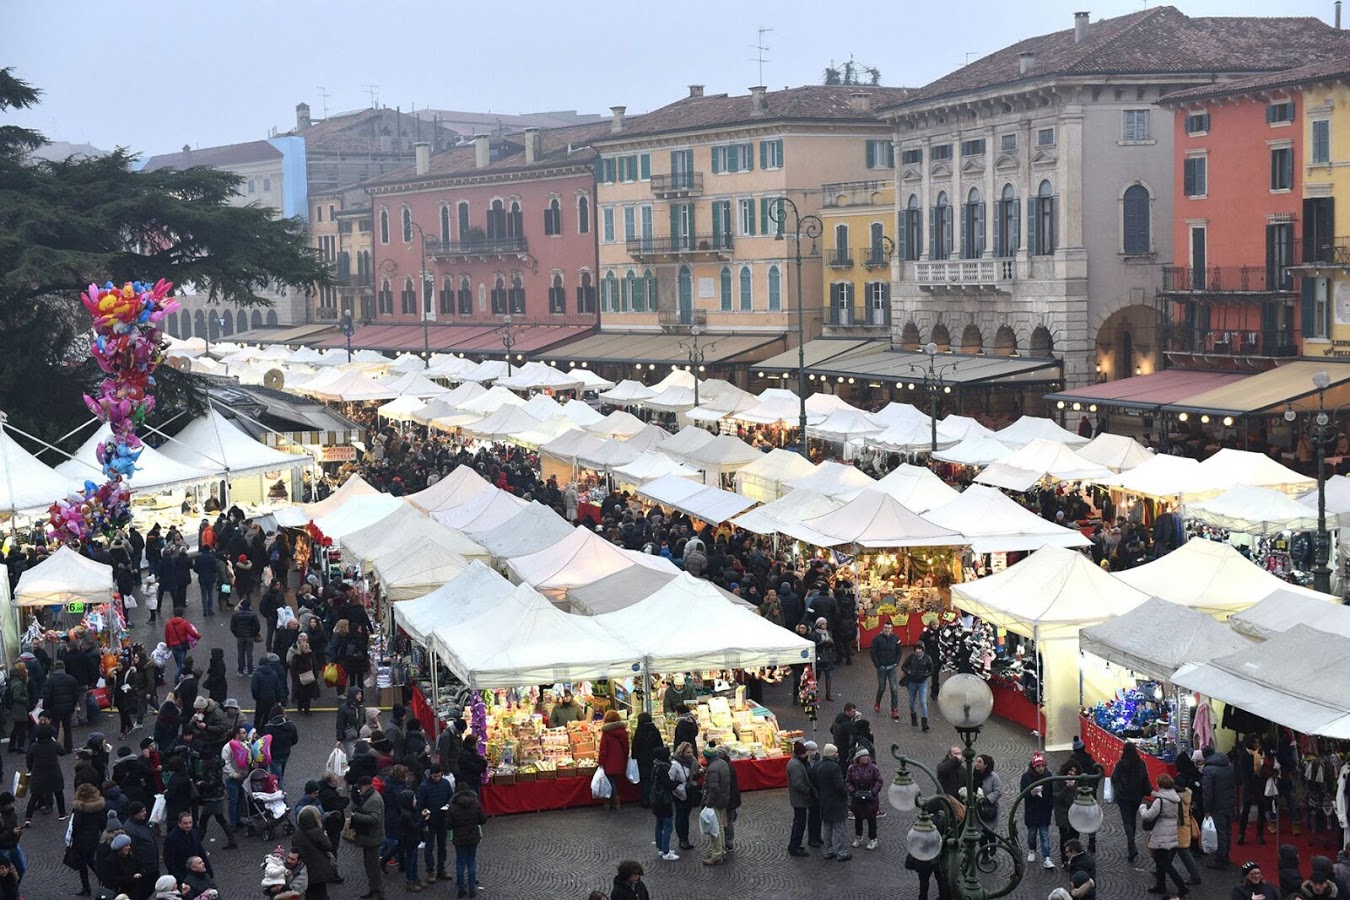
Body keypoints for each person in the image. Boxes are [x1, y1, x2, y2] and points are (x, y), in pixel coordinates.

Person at [1141, 773, 1190, 897]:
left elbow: (1148, 816)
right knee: (1161, 860)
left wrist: (1142, 807)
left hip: (1161, 833)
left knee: (1163, 862)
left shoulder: (1160, 800)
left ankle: (1181, 886)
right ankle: (1160, 885)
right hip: (1171, 832)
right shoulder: (1175, 798)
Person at [1110, 740, 1153, 863]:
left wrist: (1119, 789)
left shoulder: (1120, 764)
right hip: (1136, 796)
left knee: (1127, 821)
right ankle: (1131, 844)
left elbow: (1114, 778)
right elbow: (1145, 778)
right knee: (1132, 819)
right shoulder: (1141, 763)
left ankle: (1131, 844)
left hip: (1124, 796)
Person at [348, 776, 386, 900]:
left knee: (373, 867)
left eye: (360, 787)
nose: (359, 790)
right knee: (369, 866)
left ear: (366, 786)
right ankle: (373, 889)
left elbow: (375, 818)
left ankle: (378, 892)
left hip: (373, 838)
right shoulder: (368, 796)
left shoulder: (374, 799)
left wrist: (356, 815)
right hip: (368, 838)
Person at [1202, 744, 1237, 870]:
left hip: (1217, 805)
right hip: (1229, 803)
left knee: (1220, 832)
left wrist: (1206, 809)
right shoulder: (1229, 765)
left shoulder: (1209, 770)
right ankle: (1226, 854)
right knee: (1227, 831)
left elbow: (1207, 792)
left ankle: (1221, 858)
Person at [447, 785, 485, 898]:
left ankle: (461, 888)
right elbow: (483, 820)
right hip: (473, 837)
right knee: (471, 862)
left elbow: (448, 825)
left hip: (459, 838)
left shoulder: (453, 807)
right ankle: (472, 888)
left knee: (460, 862)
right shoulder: (476, 804)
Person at [294, 804, 338, 900]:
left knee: (310, 893)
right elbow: (328, 846)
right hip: (319, 869)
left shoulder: (297, 833)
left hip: (305, 869)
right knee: (321, 892)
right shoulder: (317, 832)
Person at [23, 723, 66, 821]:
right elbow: (62, 752)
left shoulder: (34, 746)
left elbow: (29, 757)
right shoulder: (54, 744)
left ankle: (28, 818)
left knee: (34, 795)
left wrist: (30, 767)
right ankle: (62, 814)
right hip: (54, 772)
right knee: (59, 793)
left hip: (38, 773)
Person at [1020, 751, 1055, 870]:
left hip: (1044, 811)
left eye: (1042, 766)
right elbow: (1023, 793)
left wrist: (1050, 806)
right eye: (1038, 766)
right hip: (1032, 812)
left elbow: (1051, 793)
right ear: (1034, 766)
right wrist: (1031, 793)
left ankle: (1047, 857)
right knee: (1032, 834)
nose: (1041, 768)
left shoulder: (1048, 775)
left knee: (1045, 836)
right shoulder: (1026, 777)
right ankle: (1032, 850)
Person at [70, 782, 105, 895]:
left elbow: (76, 824)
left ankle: (86, 888)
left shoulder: (79, 808)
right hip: (94, 837)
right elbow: (102, 823)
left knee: (82, 864)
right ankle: (102, 878)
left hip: (81, 839)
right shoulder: (98, 807)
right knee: (90, 860)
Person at [846, 746, 883, 851]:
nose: (865, 758)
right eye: (863, 756)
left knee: (872, 819)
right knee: (858, 818)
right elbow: (848, 781)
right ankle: (858, 836)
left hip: (871, 798)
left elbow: (879, 781)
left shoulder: (873, 768)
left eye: (867, 756)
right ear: (858, 757)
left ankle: (873, 839)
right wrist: (853, 791)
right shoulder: (852, 768)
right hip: (857, 797)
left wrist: (873, 792)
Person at [701, 745, 731, 866]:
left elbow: (713, 789)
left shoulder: (713, 769)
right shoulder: (722, 763)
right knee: (719, 826)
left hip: (716, 801)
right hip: (724, 799)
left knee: (715, 829)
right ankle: (721, 851)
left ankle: (716, 854)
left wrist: (708, 803)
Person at [41, 659, 79, 752]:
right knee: (67, 728)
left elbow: (47, 696)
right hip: (67, 708)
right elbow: (75, 695)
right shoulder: (71, 679)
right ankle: (68, 747)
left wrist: (46, 708)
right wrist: (73, 706)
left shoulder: (50, 680)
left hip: (54, 708)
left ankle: (54, 747)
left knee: (54, 728)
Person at [163, 811, 211, 884]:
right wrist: (179, 877)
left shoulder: (194, 833)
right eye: (185, 823)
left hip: (196, 873)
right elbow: (169, 860)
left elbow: (201, 852)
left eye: (190, 822)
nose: (188, 825)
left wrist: (208, 870)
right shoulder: (172, 838)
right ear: (179, 823)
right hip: (182, 875)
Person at [870, 620, 902, 721]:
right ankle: (877, 702)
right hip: (882, 667)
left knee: (894, 688)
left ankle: (894, 709)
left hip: (891, 667)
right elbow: (873, 653)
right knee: (882, 688)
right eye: (885, 628)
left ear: (892, 629)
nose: (887, 630)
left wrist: (896, 662)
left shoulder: (896, 639)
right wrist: (877, 665)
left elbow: (899, 652)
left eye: (889, 628)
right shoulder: (877, 639)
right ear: (883, 628)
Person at [649, 746, 677, 861]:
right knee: (668, 826)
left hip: (655, 800)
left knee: (659, 824)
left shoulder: (655, 766)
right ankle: (666, 851)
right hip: (664, 801)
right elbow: (668, 785)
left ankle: (660, 848)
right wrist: (677, 783)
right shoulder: (664, 768)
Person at [630, 712, 664, 808]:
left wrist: (634, 756)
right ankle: (654, 799)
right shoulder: (655, 730)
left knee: (644, 780)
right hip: (654, 758)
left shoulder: (639, 731)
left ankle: (646, 800)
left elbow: (635, 746)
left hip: (642, 759)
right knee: (653, 779)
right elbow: (660, 744)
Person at [598, 710, 629, 812]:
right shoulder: (623, 732)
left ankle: (612, 801)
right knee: (614, 780)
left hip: (608, 761)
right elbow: (626, 748)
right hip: (619, 760)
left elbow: (603, 750)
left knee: (609, 781)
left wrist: (601, 763)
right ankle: (613, 801)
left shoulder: (606, 733)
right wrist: (624, 759)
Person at [785, 740, 813, 857]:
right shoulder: (795, 765)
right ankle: (795, 846)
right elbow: (798, 783)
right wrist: (808, 791)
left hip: (798, 798)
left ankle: (795, 844)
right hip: (799, 799)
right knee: (799, 823)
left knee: (799, 822)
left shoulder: (795, 762)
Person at [670, 741, 698, 852]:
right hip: (679, 794)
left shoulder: (694, 762)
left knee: (686, 817)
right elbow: (670, 780)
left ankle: (685, 838)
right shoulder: (675, 764)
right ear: (682, 753)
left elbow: (694, 775)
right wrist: (679, 789)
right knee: (681, 816)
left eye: (691, 752)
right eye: (688, 753)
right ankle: (682, 839)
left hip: (689, 792)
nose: (690, 754)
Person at [901, 642, 935, 731]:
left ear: (923, 650)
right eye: (916, 649)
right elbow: (903, 666)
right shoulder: (911, 657)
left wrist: (925, 675)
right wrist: (909, 672)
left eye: (920, 649)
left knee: (923, 702)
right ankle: (913, 716)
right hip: (911, 682)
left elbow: (932, 670)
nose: (918, 651)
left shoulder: (927, 658)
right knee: (912, 701)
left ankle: (924, 722)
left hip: (922, 683)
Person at [975, 754, 1003, 858]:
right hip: (978, 809)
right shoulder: (975, 774)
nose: (976, 764)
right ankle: (985, 854)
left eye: (979, 762)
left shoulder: (993, 777)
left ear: (985, 765)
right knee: (981, 833)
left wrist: (987, 799)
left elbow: (998, 791)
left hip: (989, 808)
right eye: (976, 761)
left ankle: (992, 843)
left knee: (988, 831)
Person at [229, 598, 261, 675]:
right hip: (249, 636)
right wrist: (254, 634)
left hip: (240, 636)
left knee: (241, 653)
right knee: (249, 654)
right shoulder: (253, 615)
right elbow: (257, 626)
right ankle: (250, 670)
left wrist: (237, 634)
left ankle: (240, 670)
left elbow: (232, 626)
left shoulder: (236, 615)